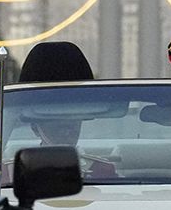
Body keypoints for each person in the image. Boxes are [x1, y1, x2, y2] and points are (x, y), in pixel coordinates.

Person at [14, 42, 117, 180]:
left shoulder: (103, 172)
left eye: (72, 120)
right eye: (55, 120)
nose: (67, 130)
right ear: (35, 128)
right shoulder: (10, 174)